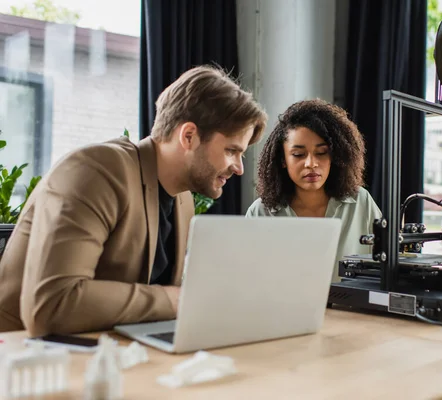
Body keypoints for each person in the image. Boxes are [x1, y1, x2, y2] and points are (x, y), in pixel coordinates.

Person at [0, 65, 267, 335]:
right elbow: (51, 306)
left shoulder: (182, 200)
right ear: (188, 136)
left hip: (111, 355)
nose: (239, 167)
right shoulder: (96, 171)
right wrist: (176, 299)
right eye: (232, 151)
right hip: (25, 359)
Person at [246, 99, 381, 282]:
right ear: (283, 160)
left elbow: (385, 264)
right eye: (298, 155)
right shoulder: (260, 212)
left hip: (349, 310)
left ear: (334, 155)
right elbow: (250, 279)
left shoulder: (361, 201)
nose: (311, 164)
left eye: (321, 152)